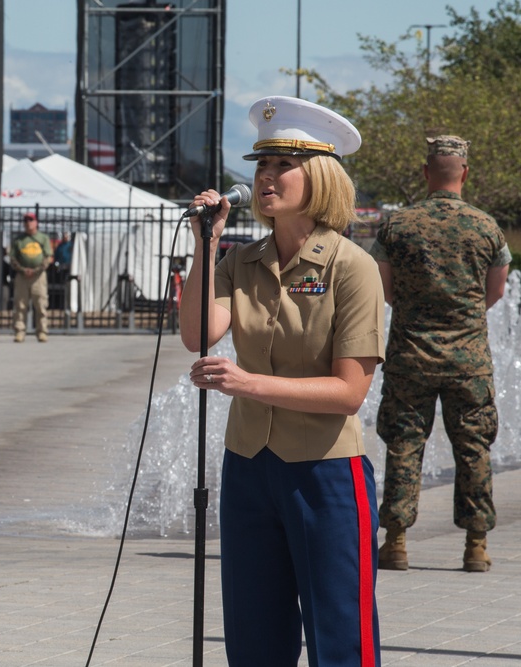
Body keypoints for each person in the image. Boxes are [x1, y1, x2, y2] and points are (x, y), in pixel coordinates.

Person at [180, 96, 385, 666]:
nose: (266, 177)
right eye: (262, 165)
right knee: (253, 636)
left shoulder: (351, 267)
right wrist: (206, 242)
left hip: (325, 472)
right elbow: (198, 335)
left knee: (341, 635)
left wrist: (249, 384)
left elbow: (349, 392)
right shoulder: (240, 261)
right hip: (248, 466)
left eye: (283, 166)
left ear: (317, 175)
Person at [371, 135, 510, 573]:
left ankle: (395, 542)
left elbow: (384, 289)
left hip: (410, 354)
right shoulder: (487, 227)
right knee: (473, 447)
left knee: (404, 444)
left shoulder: (397, 225)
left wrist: (418, 313)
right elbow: (497, 291)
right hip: (467, 360)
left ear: (426, 172)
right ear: (465, 173)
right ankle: (476, 545)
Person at [9, 211, 53, 343]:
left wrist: (37, 270)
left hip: (38, 276)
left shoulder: (43, 238)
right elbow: (12, 257)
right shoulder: (19, 240)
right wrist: (23, 270)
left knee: (40, 304)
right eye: (26, 221)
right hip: (22, 276)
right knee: (20, 305)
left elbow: (48, 256)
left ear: (36, 223)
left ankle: (42, 331)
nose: (28, 223)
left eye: (31, 220)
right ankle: (20, 331)